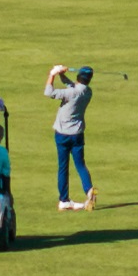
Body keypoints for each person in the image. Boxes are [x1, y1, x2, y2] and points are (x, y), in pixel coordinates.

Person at [45, 62, 96, 211]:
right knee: (80, 164)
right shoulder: (88, 91)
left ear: (79, 76)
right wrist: (62, 74)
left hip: (62, 134)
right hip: (78, 134)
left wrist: (52, 74)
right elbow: (72, 85)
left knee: (63, 167)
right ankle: (88, 190)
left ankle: (64, 200)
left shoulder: (71, 93)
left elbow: (49, 92)